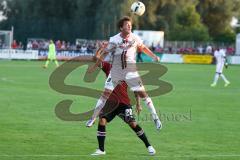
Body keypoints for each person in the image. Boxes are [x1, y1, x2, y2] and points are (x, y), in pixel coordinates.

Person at [86, 16, 162, 130]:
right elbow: (104, 54)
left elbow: (143, 48)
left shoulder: (135, 38)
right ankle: (92, 118)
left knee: (144, 94)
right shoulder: (114, 39)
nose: (130, 26)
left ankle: (155, 118)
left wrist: (154, 56)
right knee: (105, 94)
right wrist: (94, 67)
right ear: (121, 28)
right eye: (127, 25)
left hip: (131, 71)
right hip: (116, 71)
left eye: (130, 25)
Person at [90, 59, 156, 156]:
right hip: (110, 103)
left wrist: (138, 104)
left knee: (133, 124)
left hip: (123, 103)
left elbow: (136, 89)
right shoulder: (108, 66)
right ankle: (101, 150)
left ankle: (149, 146)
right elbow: (96, 59)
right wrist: (101, 50)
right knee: (102, 121)